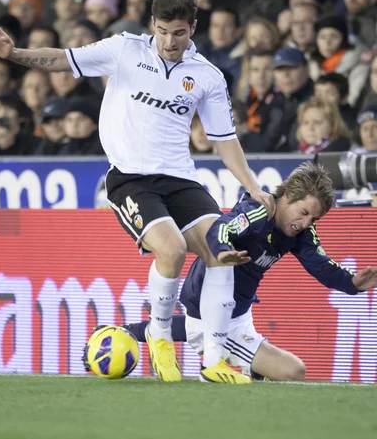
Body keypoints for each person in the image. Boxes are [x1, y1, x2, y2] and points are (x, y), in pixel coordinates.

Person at [0, 0, 273, 384]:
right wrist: (14, 54)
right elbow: (63, 60)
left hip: (181, 178)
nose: (170, 42)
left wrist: (252, 187)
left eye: (179, 33)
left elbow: (224, 140)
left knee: (222, 250)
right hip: (131, 179)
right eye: (163, 31)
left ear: (193, 28)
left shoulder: (207, 76)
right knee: (170, 249)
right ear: (152, 24)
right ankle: (158, 336)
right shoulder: (124, 50)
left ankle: (214, 360)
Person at [119, 162, 377, 383]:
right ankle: (214, 360)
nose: (306, 223)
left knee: (198, 331)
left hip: (239, 315)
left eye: (314, 219)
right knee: (294, 371)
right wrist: (220, 253)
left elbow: (320, 265)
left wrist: (352, 283)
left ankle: (135, 331)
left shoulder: (300, 232)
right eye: (304, 212)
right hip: (212, 310)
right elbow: (220, 228)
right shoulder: (257, 211)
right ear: (286, 196)